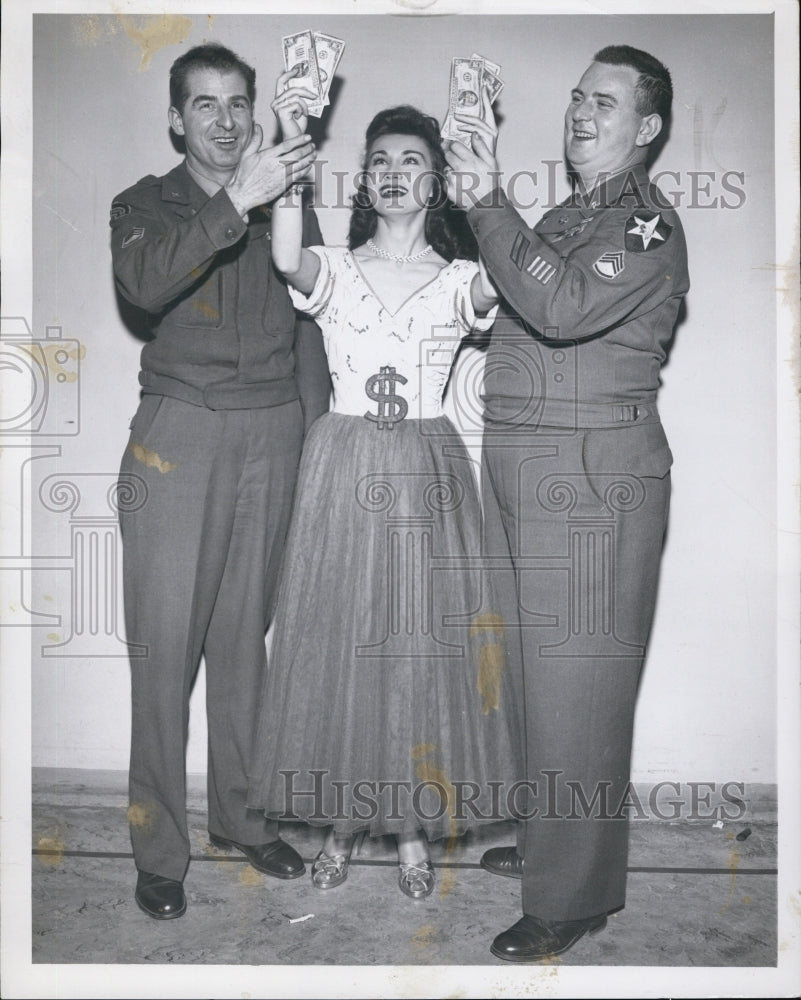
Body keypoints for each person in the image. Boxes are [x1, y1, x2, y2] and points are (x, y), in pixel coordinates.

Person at [246, 72, 522, 900]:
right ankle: (338, 823)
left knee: (417, 654)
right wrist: (291, 145)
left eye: (412, 160)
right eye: (379, 161)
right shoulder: (330, 267)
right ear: (363, 181)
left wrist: (488, 183)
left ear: (434, 182)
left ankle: (409, 833)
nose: (394, 171)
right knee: (339, 644)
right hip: (343, 470)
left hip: (429, 476)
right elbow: (284, 254)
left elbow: (510, 272)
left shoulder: (460, 277)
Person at [444, 45, 688, 959]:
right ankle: (557, 843)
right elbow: (512, 295)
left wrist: (484, 201)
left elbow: (561, 308)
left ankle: (574, 896)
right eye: (578, 95)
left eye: (607, 101)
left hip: (591, 479)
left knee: (579, 684)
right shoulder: (564, 212)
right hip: (524, 462)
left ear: (647, 128)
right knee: (538, 680)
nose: (582, 109)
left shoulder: (648, 227)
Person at [110, 43, 331, 920]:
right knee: (164, 656)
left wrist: (315, 443)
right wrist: (236, 202)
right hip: (179, 435)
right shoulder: (144, 203)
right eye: (206, 105)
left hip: (273, 432)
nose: (228, 120)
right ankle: (157, 850)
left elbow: (310, 329)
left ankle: (242, 818)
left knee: (246, 645)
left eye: (239, 102)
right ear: (177, 118)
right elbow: (141, 284)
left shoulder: (287, 202)